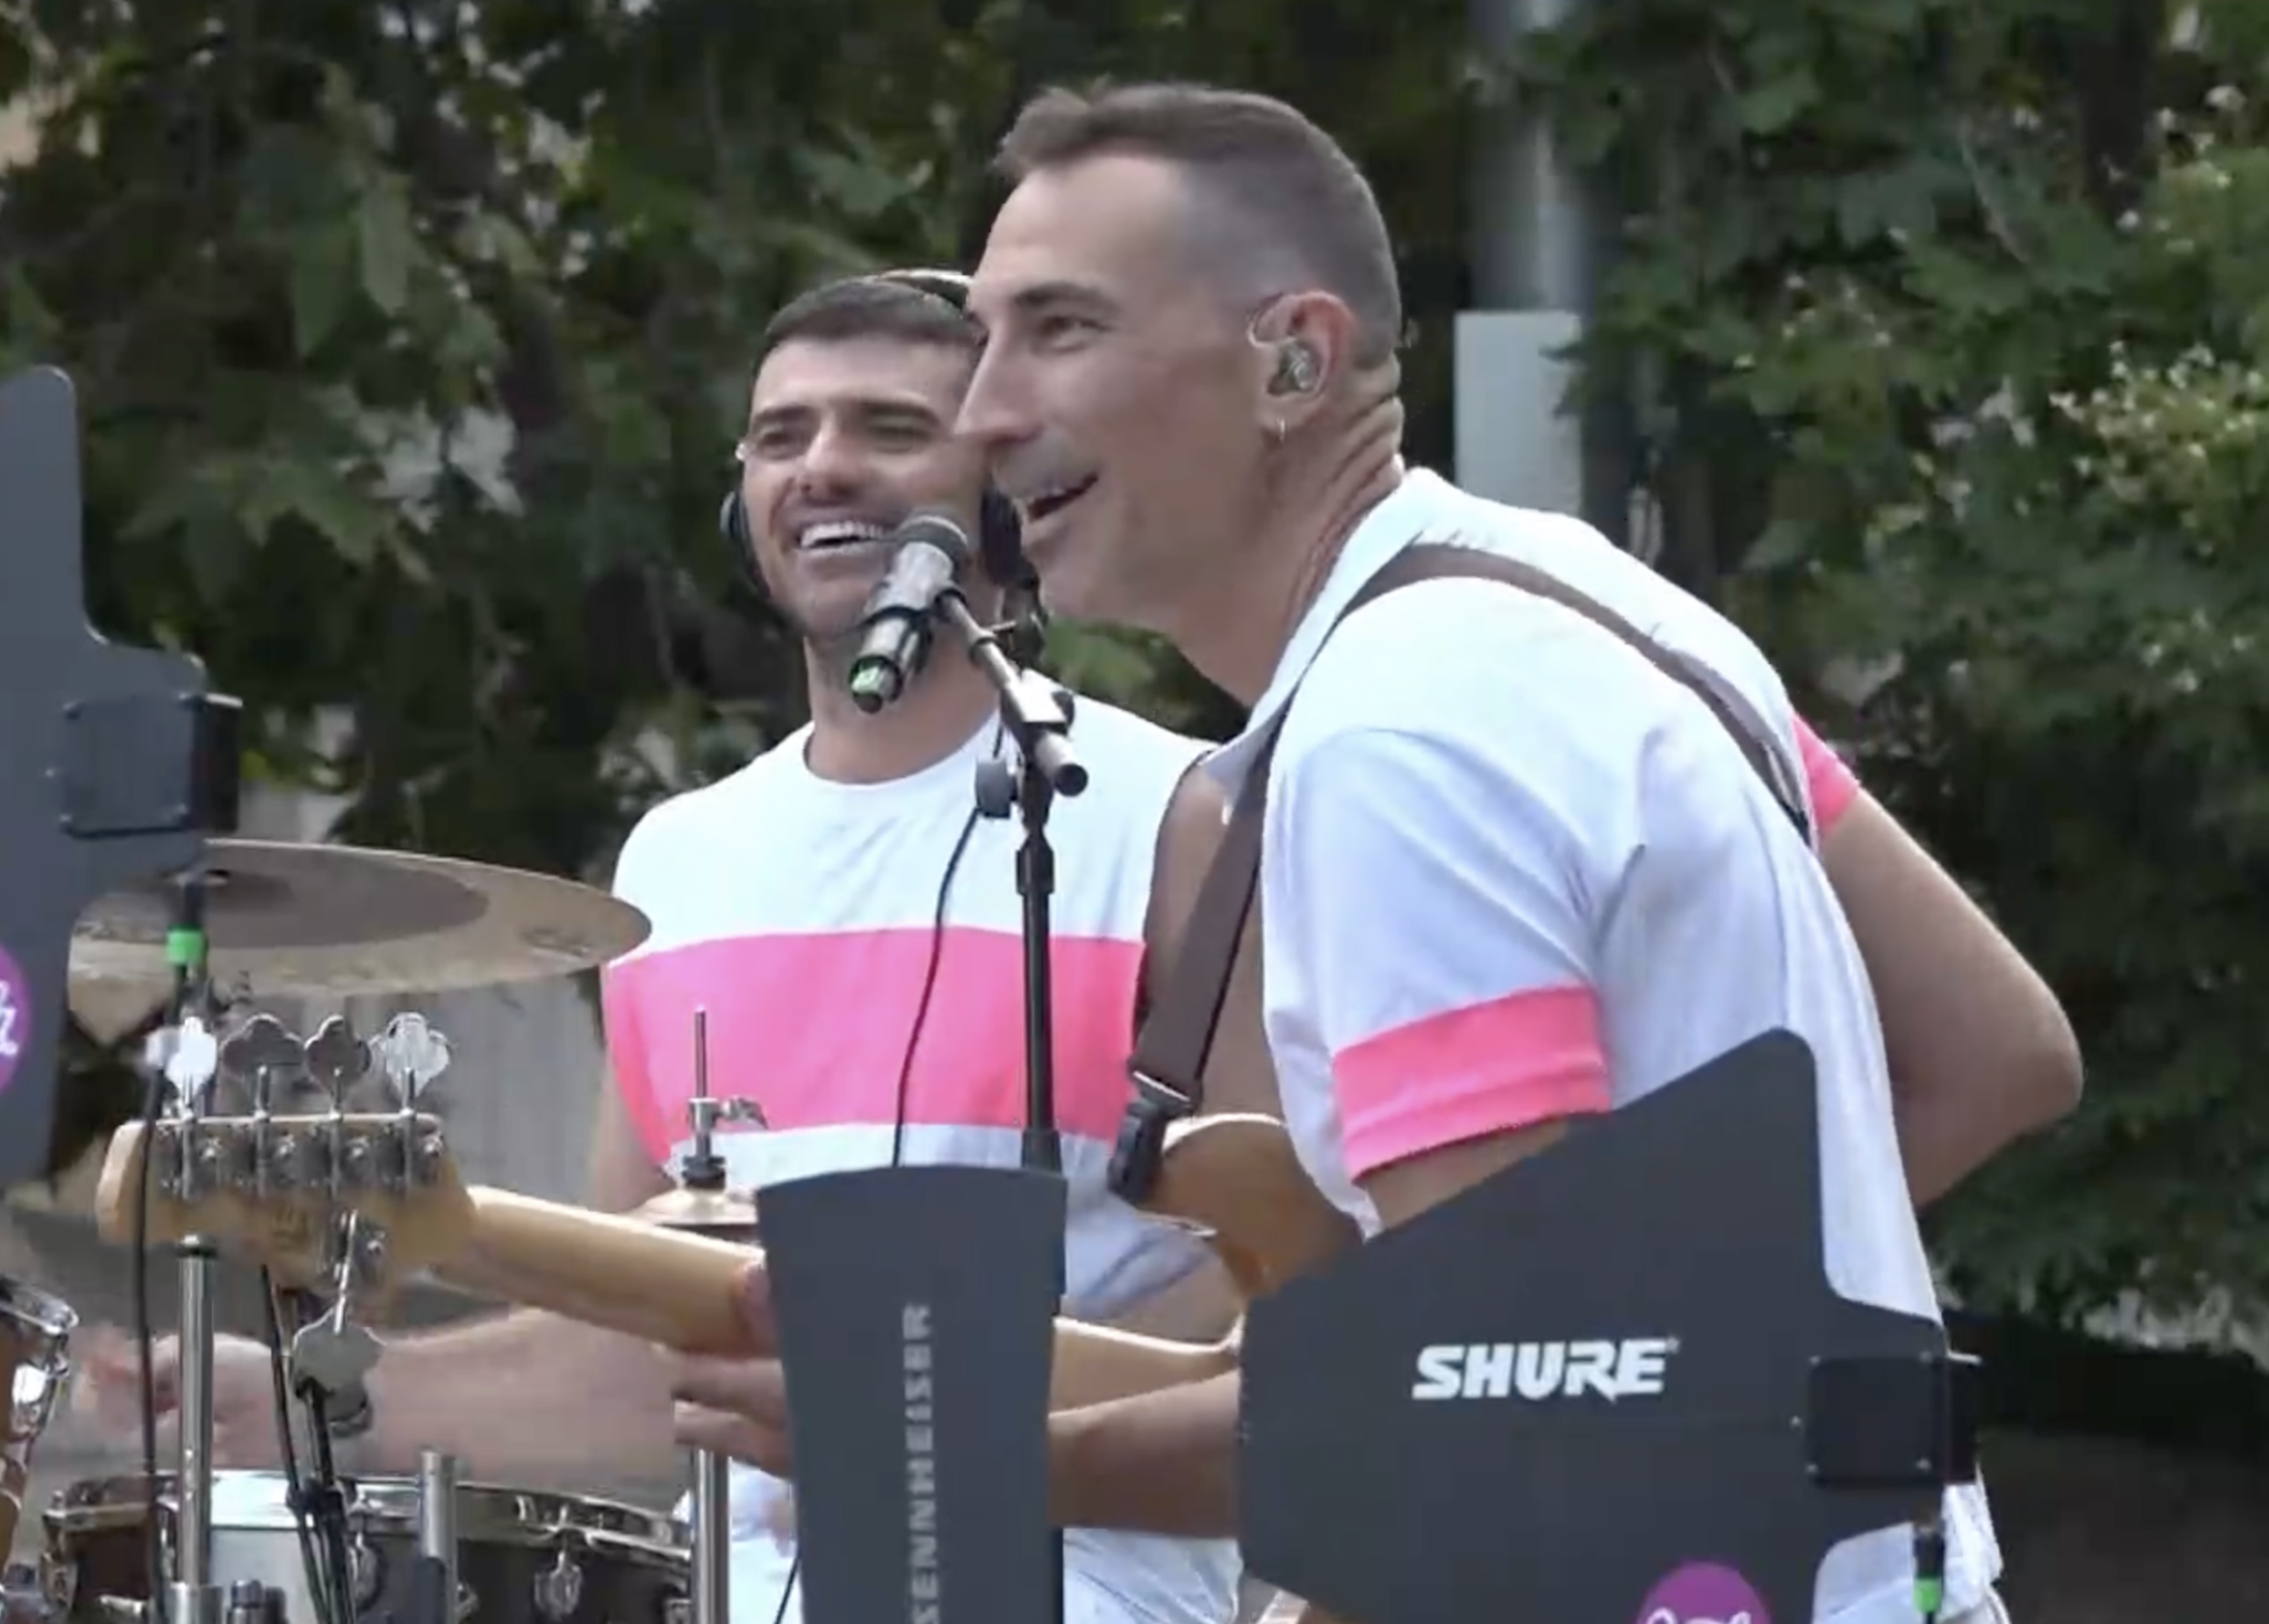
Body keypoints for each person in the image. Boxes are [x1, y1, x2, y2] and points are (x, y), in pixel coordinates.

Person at [669, 84, 2080, 1624]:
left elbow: (1488, 1396)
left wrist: (964, 1453)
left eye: (1062, 330)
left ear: (1294, 357)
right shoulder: (1586, 596)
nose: (987, 411)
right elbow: (1995, 1051)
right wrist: (1683, 1341)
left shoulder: (1396, 739)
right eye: (988, 339)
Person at [75, 271, 1252, 1624]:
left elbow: (1280, 1298)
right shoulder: (681, 862)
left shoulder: (1174, 818)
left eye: (889, 427)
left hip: (1081, 1586)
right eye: (781, 435)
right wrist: (313, 1401)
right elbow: (632, 1358)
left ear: (1004, 486)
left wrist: (940, 1411)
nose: (823, 467)